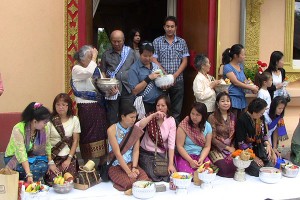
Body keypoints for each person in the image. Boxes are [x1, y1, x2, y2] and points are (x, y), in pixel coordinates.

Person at [71, 45, 108, 162]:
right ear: (82, 59)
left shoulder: (94, 68)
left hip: (98, 105)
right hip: (86, 107)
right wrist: (94, 59)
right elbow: (88, 73)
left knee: (102, 133)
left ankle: (102, 164)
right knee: (88, 134)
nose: (93, 59)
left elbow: (101, 83)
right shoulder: (77, 69)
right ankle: (88, 164)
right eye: (90, 57)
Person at [152, 16, 189, 125]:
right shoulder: (157, 41)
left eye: (172, 26)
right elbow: (154, 59)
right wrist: (166, 75)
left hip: (178, 80)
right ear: (164, 27)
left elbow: (185, 61)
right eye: (167, 26)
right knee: (161, 107)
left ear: (176, 28)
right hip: (162, 80)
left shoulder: (182, 42)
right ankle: (161, 132)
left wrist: (174, 76)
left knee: (177, 109)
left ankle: (174, 134)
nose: (170, 29)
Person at [4, 102, 54, 182]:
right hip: (14, 157)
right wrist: (28, 173)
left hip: (32, 156)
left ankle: (34, 186)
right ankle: (26, 187)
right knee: (33, 170)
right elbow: (21, 153)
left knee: (44, 166)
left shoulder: (44, 129)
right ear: (35, 122)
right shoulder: (18, 129)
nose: (46, 125)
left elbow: (47, 145)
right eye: (44, 122)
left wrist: (51, 162)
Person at [107, 105, 150, 191]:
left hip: (131, 164)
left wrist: (134, 167)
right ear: (123, 116)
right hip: (116, 166)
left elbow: (136, 151)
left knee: (145, 181)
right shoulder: (112, 130)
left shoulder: (135, 130)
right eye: (131, 117)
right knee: (129, 183)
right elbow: (117, 154)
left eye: (135, 117)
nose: (134, 120)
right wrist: (129, 172)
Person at [136, 95, 176, 181]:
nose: (160, 108)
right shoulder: (150, 116)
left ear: (167, 107)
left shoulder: (171, 120)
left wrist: (171, 164)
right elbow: (137, 126)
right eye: (158, 105)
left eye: (163, 106)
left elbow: (171, 144)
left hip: (161, 154)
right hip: (147, 152)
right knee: (153, 173)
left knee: (169, 172)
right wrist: (152, 116)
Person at [101, 30, 138, 125]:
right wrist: (107, 88)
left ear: (124, 40)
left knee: (128, 116)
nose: (116, 43)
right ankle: (113, 138)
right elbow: (103, 72)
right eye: (114, 41)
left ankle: (127, 139)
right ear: (110, 41)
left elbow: (137, 69)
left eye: (119, 41)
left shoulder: (130, 53)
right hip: (112, 90)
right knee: (112, 116)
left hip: (128, 89)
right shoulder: (106, 54)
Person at [44, 93, 80, 185]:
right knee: (54, 180)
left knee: (70, 179)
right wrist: (50, 162)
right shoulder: (50, 121)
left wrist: (69, 159)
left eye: (64, 105)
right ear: (54, 106)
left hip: (68, 156)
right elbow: (46, 143)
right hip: (54, 156)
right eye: (58, 104)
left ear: (69, 106)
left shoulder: (74, 119)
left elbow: (75, 141)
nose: (61, 107)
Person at [235, 98, 276, 177]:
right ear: (254, 111)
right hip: (246, 152)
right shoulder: (242, 120)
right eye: (261, 113)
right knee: (258, 171)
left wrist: (267, 144)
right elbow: (241, 143)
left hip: (259, 149)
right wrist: (254, 157)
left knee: (270, 167)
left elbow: (264, 135)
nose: (262, 115)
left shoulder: (260, 118)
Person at [222, 44, 259, 118]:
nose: (244, 57)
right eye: (243, 55)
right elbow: (235, 82)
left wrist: (253, 86)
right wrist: (251, 88)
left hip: (242, 98)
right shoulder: (227, 67)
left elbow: (245, 80)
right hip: (233, 98)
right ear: (236, 55)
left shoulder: (240, 67)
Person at [175, 102, 212, 174]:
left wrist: (201, 159)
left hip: (200, 156)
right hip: (186, 156)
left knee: (207, 173)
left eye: (198, 115)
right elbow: (179, 146)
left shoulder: (207, 126)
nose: (194, 117)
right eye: (192, 114)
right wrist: (190, 161)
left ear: (203, 116)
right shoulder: (184, 125)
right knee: (188, 175)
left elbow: (207, 146)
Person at [128, 41, 163, 114]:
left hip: (158, 105)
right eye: (145, 56)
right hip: (144, 105)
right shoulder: (133, 69)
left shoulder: (156, 66)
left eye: (150, 56)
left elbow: (161, 83)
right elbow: (134, 91)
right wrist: (148, 78)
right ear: (140, 54)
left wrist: (165, 86)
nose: (148, 58)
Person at [207, 92, 236, 178]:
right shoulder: (212, 117)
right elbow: (212, 138)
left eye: (228, 101)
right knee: (224, 169)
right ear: (217, 103)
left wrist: (233, 147)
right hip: (216, 148)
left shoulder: (233, 117)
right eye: (223, 101)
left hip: (231, 147)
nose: (226, 103)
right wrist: (227, 148)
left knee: (236, 167)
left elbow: (235, 135)